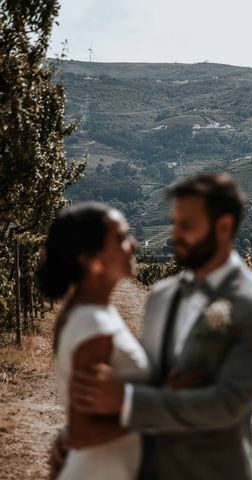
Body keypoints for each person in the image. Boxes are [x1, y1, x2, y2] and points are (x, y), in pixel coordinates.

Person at [68, 174, 252, 479]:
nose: (174, 235)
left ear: (224, 227)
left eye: (186, 226)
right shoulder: (162, 294)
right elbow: (152, 380)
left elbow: (224, 405)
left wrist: (127, 399)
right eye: (174, 224)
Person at [39, 202, 150, 480]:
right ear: (91, 259)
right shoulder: (93, 324)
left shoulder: (88, 312)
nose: (133, 245)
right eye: (121, 238)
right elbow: (83, 431)